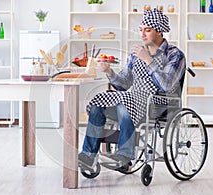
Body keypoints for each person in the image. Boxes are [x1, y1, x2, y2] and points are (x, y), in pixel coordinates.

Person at [78, 8, 186, 167]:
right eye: (141, 30)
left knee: (124, 102)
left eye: (147, 30)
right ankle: (88, 155)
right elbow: (124, 85)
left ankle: (125, 154)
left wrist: (149, 60)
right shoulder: (137, 54)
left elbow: (166, 85)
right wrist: (109, 72)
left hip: (160, 105)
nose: (142, 34)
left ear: (160, 32)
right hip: (132, 101)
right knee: (98, 104)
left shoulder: (174, 55)